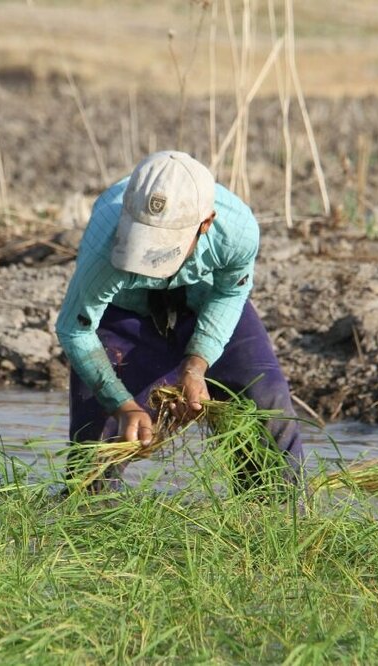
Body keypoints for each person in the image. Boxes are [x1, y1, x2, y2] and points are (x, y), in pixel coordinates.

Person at [55, 150, 304, 492]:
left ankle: (275, 512)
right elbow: (75, 329)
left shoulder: (238, 232)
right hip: (124, 310)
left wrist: (195, 366)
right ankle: (89, 517)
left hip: (203, 303)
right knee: (97, 448)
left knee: (266, 399)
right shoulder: (103, 239)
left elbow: (230, 294)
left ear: (206, 224)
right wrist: (123, 405)